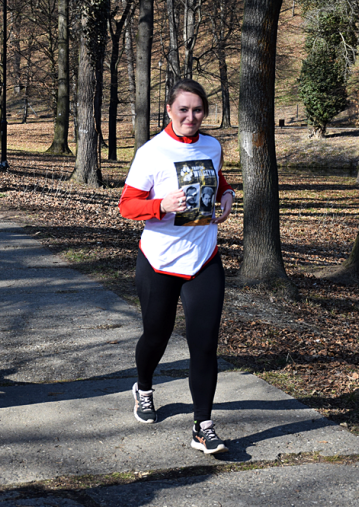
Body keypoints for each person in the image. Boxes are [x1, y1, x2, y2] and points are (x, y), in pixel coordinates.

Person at [118, 78, 235, 455]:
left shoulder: (213, 145)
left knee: (204, 345)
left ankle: (203, 426)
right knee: (156, 335)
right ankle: (144, 388)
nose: (190, 116)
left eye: (197, 110)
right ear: (169, 110)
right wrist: (161, 206)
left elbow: (218, 181)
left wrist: (229, 194)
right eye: (183, 109)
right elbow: (127, 206)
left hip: (203, 259)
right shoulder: (152, 152)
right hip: (159, 260)